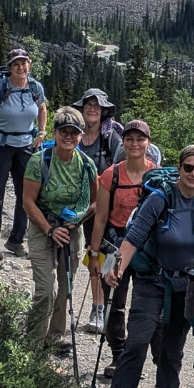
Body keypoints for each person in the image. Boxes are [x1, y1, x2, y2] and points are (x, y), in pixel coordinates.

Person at [91, 144, 194, 388]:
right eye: (188, 167)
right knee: (136, 346)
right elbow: (134, 237)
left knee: (172, 349)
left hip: (186, 288)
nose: (193, 173)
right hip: (152, 281)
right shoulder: (159, 199)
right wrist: (117, 268)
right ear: (179, 168)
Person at [22, 105, 98, 353]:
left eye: (74, 132)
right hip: (42, 226)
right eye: (63, 131)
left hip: (71, 230)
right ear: (55, 133)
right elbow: (28, 202)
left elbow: (95, 202)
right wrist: (49, 230)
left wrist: (77, 220)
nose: (68, 136)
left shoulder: (86, 165)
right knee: (46, 290)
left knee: (66, 288)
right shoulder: (39, 161)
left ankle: (54, 338)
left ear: (81, 135)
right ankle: (33, 342)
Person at [86, 119, 157, 357]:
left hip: (148, 249)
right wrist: (94, 255)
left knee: (145, 305)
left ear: (148, 143)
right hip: (114, 246)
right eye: (129, 139)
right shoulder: (111, 175)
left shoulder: (157, 176)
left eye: (140, 139)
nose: (134, 144)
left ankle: (136, 355)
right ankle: (117, 353)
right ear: (123, 142)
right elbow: (100, 219)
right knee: (113, 303)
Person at [0, 48, 48, 259]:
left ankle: (16, 240)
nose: (20, 67)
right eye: (16, 64)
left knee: (26, 194)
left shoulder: (35, 87)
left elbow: (42, 108)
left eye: (23, 63)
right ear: (10, 67)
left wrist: (42, 132)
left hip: (25, 146)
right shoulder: (0, 88)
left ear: (29, 65)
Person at [76, 88, 125, 333]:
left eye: (97, 106)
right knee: (90, 255)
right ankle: (98, 306)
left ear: (104, 111)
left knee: (102, 256)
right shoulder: (73, 134)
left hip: (104, 208)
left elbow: (119, 171)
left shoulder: (111, 138)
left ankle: (103, 308)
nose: (93, 109)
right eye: (89, 105)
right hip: (77, 206)